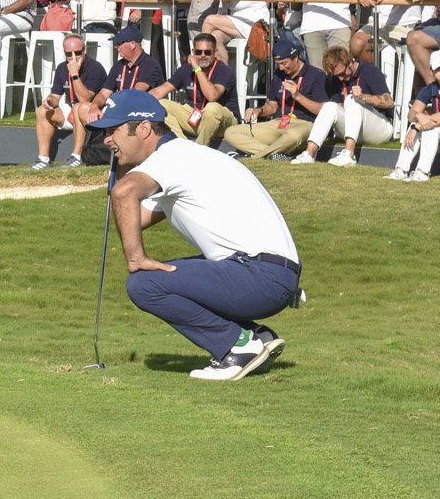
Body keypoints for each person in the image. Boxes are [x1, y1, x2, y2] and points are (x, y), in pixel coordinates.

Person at [94, 89, 301, 382]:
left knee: (144, 283)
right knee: (163, 275)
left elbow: (124, 194)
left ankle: (237, 347)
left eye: (113, 130)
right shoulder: (184, 157)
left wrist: (136, 258)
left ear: (142, 129)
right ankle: (256, 335)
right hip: (269, 274)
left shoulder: (171, 156)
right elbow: (132, 217)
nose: (106, 140)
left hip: (261, 276)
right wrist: (122, 176)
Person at [223, 36, 328, 159]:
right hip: (278, 123)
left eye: (284, 63)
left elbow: (323, 111)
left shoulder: (316, 75)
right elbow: (272, 106)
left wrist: (298, 96)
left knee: (293, 135)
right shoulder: (279, 74)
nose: (281, 68)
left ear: (295, 57)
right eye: (278, 64)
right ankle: (274, 155)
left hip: (303, 124)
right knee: (231, 132)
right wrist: (259, 110)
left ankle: (252, 157)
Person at [291, 46, 392, 167]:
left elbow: (389, 102)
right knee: (329, 106)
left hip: (380, 127)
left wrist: (364, 97)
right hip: (354, 129)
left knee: (351, 99)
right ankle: (309, 154)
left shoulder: (369, 71)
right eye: (337, 75)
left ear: (349, 62)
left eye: (343, 73)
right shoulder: (335, 80)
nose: (340, 78)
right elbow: (337, 110)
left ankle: (349, 154)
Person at [388, 49, 440, 183]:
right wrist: (418, 115)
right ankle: (401, 169)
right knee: (418, 124)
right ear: (431, 72)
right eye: (438, 68)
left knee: (426, 126)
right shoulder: (429, 88)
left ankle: (422, 172)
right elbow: (411, 115)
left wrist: (417, 125)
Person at [152, 33, 239, 148]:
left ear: (215, 52)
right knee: (161, 104)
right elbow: (160, 91)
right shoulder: (186, 69)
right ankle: (183, 146)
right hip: (197, 118)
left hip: (224, 124)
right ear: (193, 52)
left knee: (212, 108)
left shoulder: (224, 70)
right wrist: (136, 102)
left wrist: (197, 69)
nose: (203, 56)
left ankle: (199, 149)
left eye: (207, 52)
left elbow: (212, 96)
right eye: (199, 52)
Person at [32, 34, 107, 167]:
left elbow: (85, 98)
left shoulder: (95, 68)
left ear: (84, 51)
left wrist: (74, 74)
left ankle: (77, 156)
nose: (73, 57)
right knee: (42, 110)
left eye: (77, 52)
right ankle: (43, 159)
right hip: (72, 110)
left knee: (79, 106)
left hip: (90, 115)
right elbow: (56, 96)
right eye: (69, 54)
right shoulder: (62, 68)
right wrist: (49, 101)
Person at [80, 26, 165, 128]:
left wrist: (115, 106)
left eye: (119, 43)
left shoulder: (150, 64)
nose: (116, 46)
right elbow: (104, 93)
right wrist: (94, 106)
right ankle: (86, 144)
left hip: (142, 111)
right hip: (121, 107)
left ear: (133, 44)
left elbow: (137, 93)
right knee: (83, 108)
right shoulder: (119, 65)